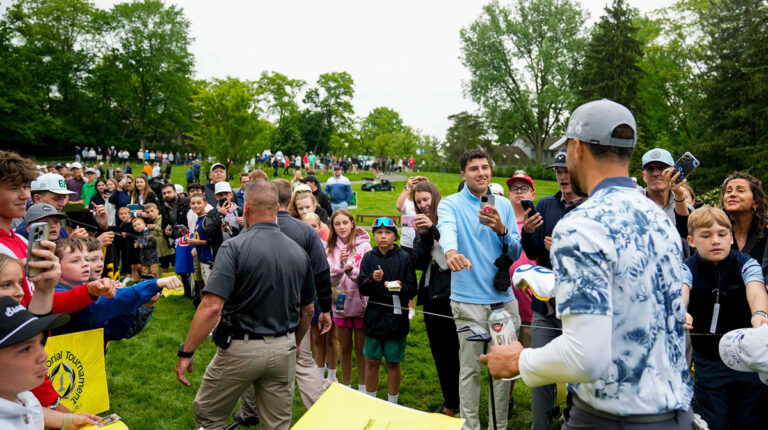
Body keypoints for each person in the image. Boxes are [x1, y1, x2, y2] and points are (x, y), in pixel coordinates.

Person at [480, 99, 694, 428]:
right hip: (674, 411)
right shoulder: (659, 218)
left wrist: (519, 359)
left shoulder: (582, 225)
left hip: (612, 416)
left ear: (577, 148)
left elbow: (585, 356)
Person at [174, 180, 316, 430]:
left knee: (208, 415)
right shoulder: (298, 251)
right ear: (276, 208)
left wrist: (187, 351)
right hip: (284, 347)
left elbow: (212, 306)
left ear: (246, 208)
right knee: (277, 425)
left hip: (241, 347)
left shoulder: (234, 246)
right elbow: (308, 310)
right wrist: (292, 344)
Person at [437, 148, 522, 430]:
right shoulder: (450, 204)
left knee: (503, 372)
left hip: (503, 304)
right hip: (469, 304)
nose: (481, 173)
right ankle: (469, 426)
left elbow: (516, 249)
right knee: (470, 370)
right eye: (474, 169)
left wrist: (502, 229)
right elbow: (447, 228)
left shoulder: (504, 206)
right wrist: (450, 252)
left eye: (485, 167)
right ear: (463, 174)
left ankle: (498, 427)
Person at [682, 206, 768, 428]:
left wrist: (759, 314)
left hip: (749, 362)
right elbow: (680, 289)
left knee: (751, 421)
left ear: (731, 238)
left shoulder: (746, 263)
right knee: (714, 423)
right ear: (691, 241)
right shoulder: (685, 268)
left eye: (722, 234)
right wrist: (678, 310)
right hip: (708, 365)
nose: (715, 241)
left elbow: (756, 288)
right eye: (706, 235)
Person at [519, 147, 583, 429]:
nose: (562, 177)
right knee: (540, 372)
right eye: (558, 171)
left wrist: (564, 248)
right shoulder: (545, 205)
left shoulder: (593, 207)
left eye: (566, 171)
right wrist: (529, 232)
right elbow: (533, 253)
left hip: (581, 308)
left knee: (580, 377)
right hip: (545, 306)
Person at [411, 181, 460, 416]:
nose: (423, 205)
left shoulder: (448, 218)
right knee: (439, 354)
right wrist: (422, 237)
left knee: (454, 352)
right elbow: (418, 263)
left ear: (434, 196)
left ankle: (456, 403)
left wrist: (433, 229)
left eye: (426, 199)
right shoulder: (421, 227)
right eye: (418, 202)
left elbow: (454, 251)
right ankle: (450, 400)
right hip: (431, 296)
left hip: (452, 294)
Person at [358, 218, 417, 404]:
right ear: (374, 235)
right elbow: (362, 288)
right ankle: (371, 401)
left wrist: (400, 287)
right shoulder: (369, 257)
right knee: (372, 360)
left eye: (388, 232)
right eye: (379, 232)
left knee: (392, 361)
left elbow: (413, 288)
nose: (383, 236)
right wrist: (372, 280)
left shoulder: (404, 258)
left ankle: (393, 402)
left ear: (395, 235)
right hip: (374, 314)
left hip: (396, 315)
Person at [326, 209, 372, 389]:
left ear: (352, 223)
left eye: (345, 222)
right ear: (333, 227)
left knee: (361, 349)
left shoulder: (365, 247)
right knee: (345, 349)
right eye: (337, 224)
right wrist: (339, 267)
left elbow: (367, 277)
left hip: (361, 305)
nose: (342, 227)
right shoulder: (330, 249)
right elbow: (329, 279)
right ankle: (345, 386)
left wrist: (351, 271)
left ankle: (362, 387)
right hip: (340, 305)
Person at [721, 172, 768, 275]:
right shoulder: (715, 229)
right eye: (728, 191)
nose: (732, 194)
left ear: (756, 202)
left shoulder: (765, 231)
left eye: (740, 190)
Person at [144, 202, 173, 276]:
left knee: (176, 268)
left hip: (170, 249)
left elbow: (167, 231)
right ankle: (166, 285)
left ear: (157, 210)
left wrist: (155, 227)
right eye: (148, 212)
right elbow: (156, 240)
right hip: (160, 252)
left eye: (152, 211)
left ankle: (180, 283)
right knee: (164, 269)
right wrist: (151, 238)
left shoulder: (163, 219)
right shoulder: (151, 223)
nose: (150, 213)